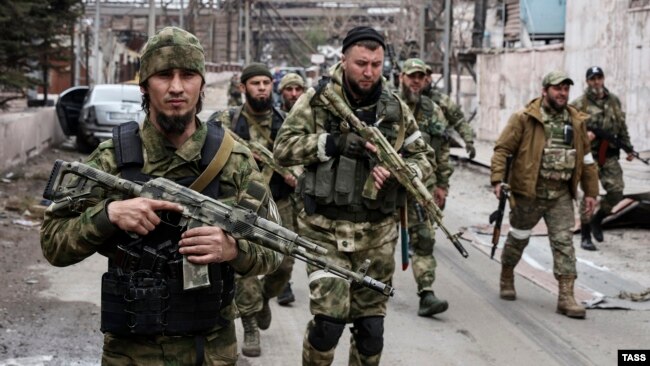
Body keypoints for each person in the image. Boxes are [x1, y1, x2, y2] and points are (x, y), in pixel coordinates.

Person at [40, 27, 283, 365]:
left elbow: (278, 248)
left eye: (188, 75)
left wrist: (232, 249)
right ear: (143, 86)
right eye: (164, 75)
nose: (176, 87)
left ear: (201, 84)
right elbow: (52, 243)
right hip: (130, 352)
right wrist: (108, 215)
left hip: (209, 351)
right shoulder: (111, 159)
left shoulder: (233, 161)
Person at [274, 26, 434, 365]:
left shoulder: (395, 108)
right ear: (344, 60)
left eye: (376, 64)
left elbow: (424, 157)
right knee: (328, 325)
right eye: (361, 63)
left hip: (377, 234)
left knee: (371, 330)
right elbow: (283, 149)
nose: (369, 72)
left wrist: (401, 174)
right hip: (323, 230)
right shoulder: (316, 101)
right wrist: (329, 144)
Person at [490, 70, 599, 319]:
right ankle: (507, 274)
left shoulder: (576, 121)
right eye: (557, 88)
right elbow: (502, 148)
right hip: (529, 192)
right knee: (518, 237)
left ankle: (566, 296)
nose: (562, 93)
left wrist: (591, 191)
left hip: (561, 194)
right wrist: (498, 179)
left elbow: (586, 158)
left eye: (566, 89)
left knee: (564, 244)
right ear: (545, 90)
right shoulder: (525, 118)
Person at [208, 62, 297, 357]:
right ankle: (250, 326)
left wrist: (294, 175)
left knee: (283, 265)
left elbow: (301, 156)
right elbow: (205, 148)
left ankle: (265, 298)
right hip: (242, 204)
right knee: (244, 263)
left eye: (266, 83)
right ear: (243, 87)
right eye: (255, 83)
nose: (261, 87)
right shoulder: (227, 120)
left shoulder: (286, 122)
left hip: (279, 203)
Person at [399, 58, 450, 317]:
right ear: (401, 77)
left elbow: (441, 151)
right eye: (411, 76)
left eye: (420, 76)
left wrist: (442, 185)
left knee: (425, 240)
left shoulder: (432, 110)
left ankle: (426, 292)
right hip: (386, 186)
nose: (416, 81)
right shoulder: (387, 106)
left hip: (421, 187)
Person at [570, 66, 635, 251]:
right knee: (590, 194)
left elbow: (621, 127)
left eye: (599, 78)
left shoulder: (614, 101)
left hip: (610, 156)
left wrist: (628, 147)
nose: (596, 82)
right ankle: (585, 234)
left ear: (603, 79)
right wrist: (584, 135)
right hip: (590, 155)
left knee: (617, 191)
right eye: (592, 79)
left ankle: (598, 219)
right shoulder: (579, 104)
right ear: (587, 81)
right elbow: (569, 130)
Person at [274, 72, 308, 306]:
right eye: (289, 89)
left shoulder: (311, 118)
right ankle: (281, 284)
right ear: (282, 92)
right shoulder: (276, 119)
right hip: (278, 190)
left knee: (297, 238)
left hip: (305, 190)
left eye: (298, 89)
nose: (294, 94)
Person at [422, 65, 476, 159]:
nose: (426, 79)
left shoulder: (442, 100)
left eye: (429, 75)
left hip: (438, 154)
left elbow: (459, 121)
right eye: (423, 75)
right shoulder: (406, 100)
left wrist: (468, 140)